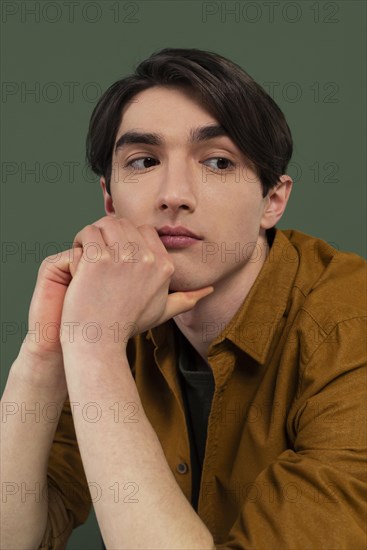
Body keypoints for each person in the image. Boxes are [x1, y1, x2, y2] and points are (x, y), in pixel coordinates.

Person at [1, 48, 366, 550]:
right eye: (144, 161)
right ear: (110, 201)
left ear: (272, 201)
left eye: (217, 161)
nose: (174, 194)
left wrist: (96, 351)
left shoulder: (352, 328)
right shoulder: (108, 311)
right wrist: (44, 356)